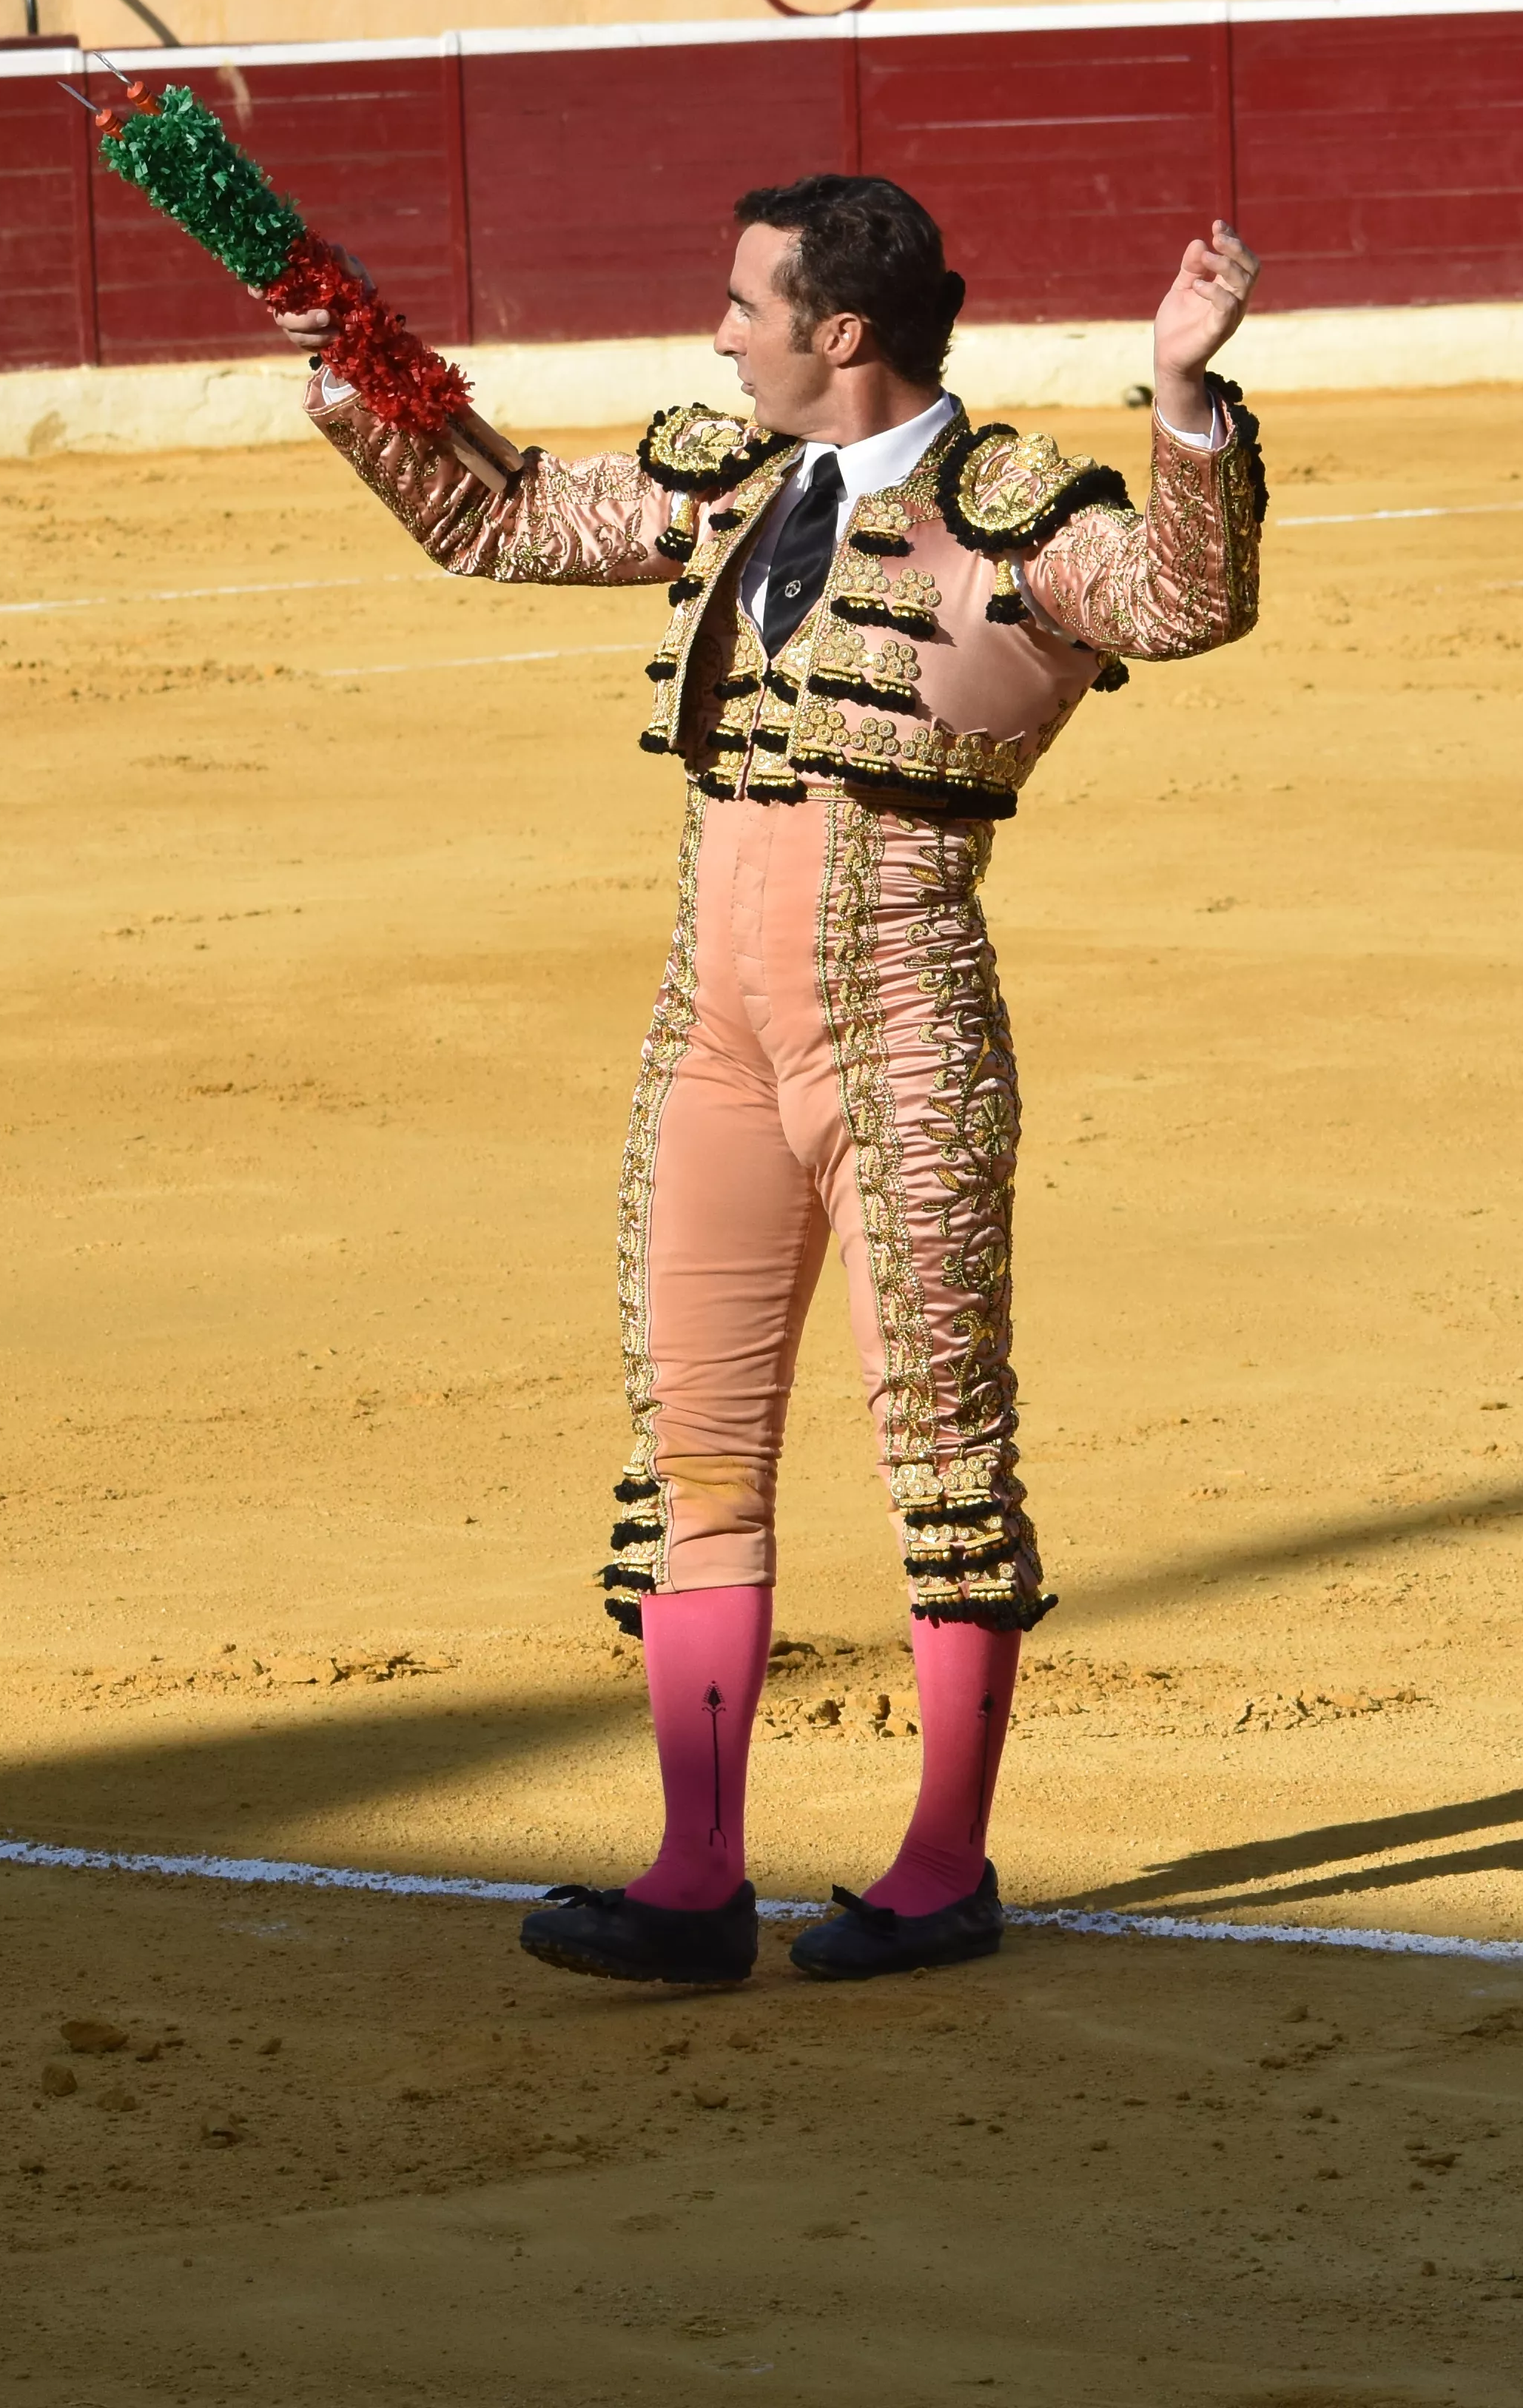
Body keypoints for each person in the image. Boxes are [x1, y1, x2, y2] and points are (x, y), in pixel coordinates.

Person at [264, 178, 1266, 1990]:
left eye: (745, 304)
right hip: (709, 1034)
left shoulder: (1017, 515)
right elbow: (501, 522)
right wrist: (361, 367)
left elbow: (1188, 597)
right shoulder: (730, 479)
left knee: (944, 1456)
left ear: (842, 334)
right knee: (694, 1451)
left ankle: (941, 1862)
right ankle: (693, 1869)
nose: (719, 332)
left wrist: (1184, 397)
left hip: (901, 1026)